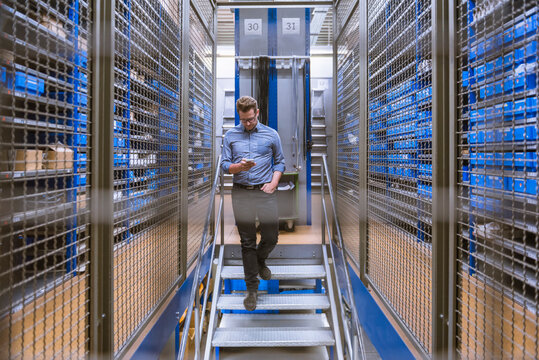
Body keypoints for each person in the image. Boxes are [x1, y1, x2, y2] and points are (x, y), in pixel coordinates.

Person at [221, 96, 285, 311]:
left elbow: (280, 161)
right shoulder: (231, 135)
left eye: (250, 119)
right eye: (243, 120)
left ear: (257, 113)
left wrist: (274, 182)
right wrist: (239, 168)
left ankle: (259, 260)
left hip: (265, 191)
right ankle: (252, 290)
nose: (247, 124)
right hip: (241, 193)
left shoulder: (271, 134)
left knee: (271, 236)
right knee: (247, 241)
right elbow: (224, 165)